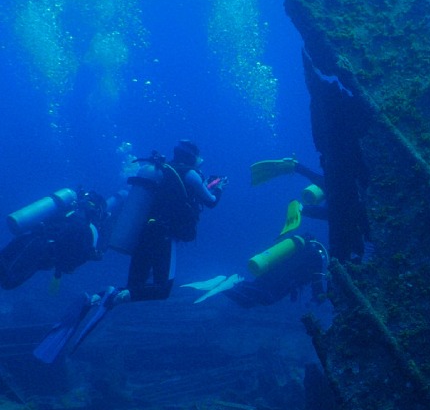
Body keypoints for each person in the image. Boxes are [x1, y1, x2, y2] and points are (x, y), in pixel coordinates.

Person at [34, 141, 226, 361]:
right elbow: (210, 202)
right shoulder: (191, 174)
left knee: (135, 286)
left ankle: (97, 297)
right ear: (192, 156)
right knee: (162, 289)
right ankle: (114, 296)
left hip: (142, 234)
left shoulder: (161, 170)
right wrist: (218, 187)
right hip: (163, 236)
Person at [0, 187, 111, 292]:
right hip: (41, 251)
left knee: (7, 278)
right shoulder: (89, 228)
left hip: (30, 241)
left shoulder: (72, 214)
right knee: (8, 281)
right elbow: (69, 266)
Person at [183, 233, 329, 309]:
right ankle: (229, 283)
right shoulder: (316, 258)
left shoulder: (298, 250)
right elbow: (317, 285)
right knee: (264, 299)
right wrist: (321, 298)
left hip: (269, 272)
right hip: (282, 282)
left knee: (252, 297)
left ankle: (224, 284)